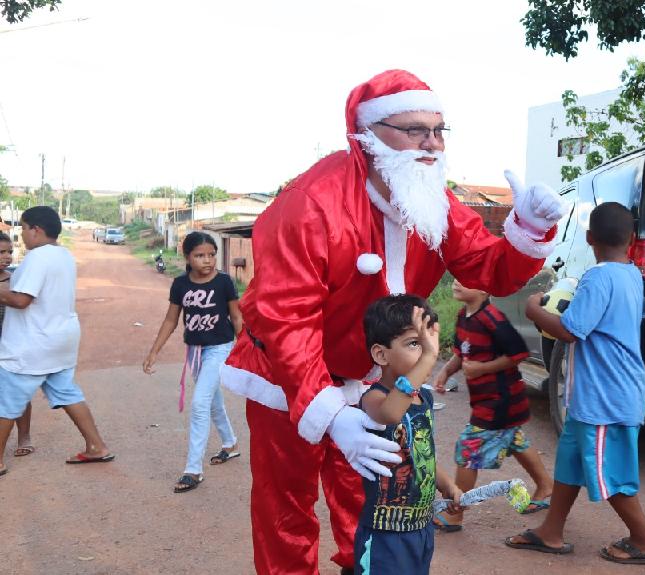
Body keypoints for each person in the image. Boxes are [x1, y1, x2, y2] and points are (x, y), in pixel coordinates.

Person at [218, 69, 568, 574]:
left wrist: (531, 227)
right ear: (369, 133)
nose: (432, 143)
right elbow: (287, 321)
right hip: (286, 374)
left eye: (439, 130)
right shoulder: (312, 203)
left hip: (370, 378)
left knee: (369, 501)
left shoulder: (433, 199)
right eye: (415, 130)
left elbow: (489, 269)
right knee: (285, 506)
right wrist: (333, 416)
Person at [505, 201, 645, 566]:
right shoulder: (629, 273)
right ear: (631, 240)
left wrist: (534, 310)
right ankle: (551, 532)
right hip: (597, 397)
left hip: (605, 399)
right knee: (571, 464)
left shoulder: (597, 278)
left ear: (589, 238)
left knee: (608, 472)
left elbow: (569, 331)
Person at [430, 279, 554, 531]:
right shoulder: (464, 315)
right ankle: (546, 485)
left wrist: (483, 368)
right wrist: (445, 372)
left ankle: (456, 512)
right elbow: (460, 351)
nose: (457, 282)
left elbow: (518, 354)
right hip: (490, 401)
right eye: (457, 277)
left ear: (485, 289)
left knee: (468, 449)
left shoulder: (493, 318)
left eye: (468, 280)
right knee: (514, 439)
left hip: (500, 401)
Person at [0, 206, 114, 477]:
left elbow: (21, 300)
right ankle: (96, 445)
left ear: (35, 230)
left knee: (6, 402)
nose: (23, 235)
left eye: (24, 229)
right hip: (60, 340)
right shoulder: (64, 255)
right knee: (67, 393)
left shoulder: (37, 257)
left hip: (32, 343)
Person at [354, 295, 460, 574]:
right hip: (385, 534)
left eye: (428, 342)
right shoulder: (374, 399)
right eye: (415, 343)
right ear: (381, 354)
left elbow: (421, 455)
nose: (427, 351)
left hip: (420, 528)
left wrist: (446, 484)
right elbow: (390, 413)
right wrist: (428, 357)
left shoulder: (423, 398)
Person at [143, 231, 243, 493]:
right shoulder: (180, 285)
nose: (207, 260)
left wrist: (245, 349)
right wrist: (154, 351)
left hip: (219, 348)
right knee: (212, 402)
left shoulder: (224, 282)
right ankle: (230, 444)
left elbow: (236, 317)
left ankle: (193, 470)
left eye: (211, 255)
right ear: (187, 257)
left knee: (199, 404)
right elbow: (170, 320)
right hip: (195, 351)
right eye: (200, 255)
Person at [0, 232, 33, 458]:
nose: (7, 257)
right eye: (1, 252)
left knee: (19, 392)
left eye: (9, 252)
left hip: (13, 343)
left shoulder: (16, 279)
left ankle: (24, 436)